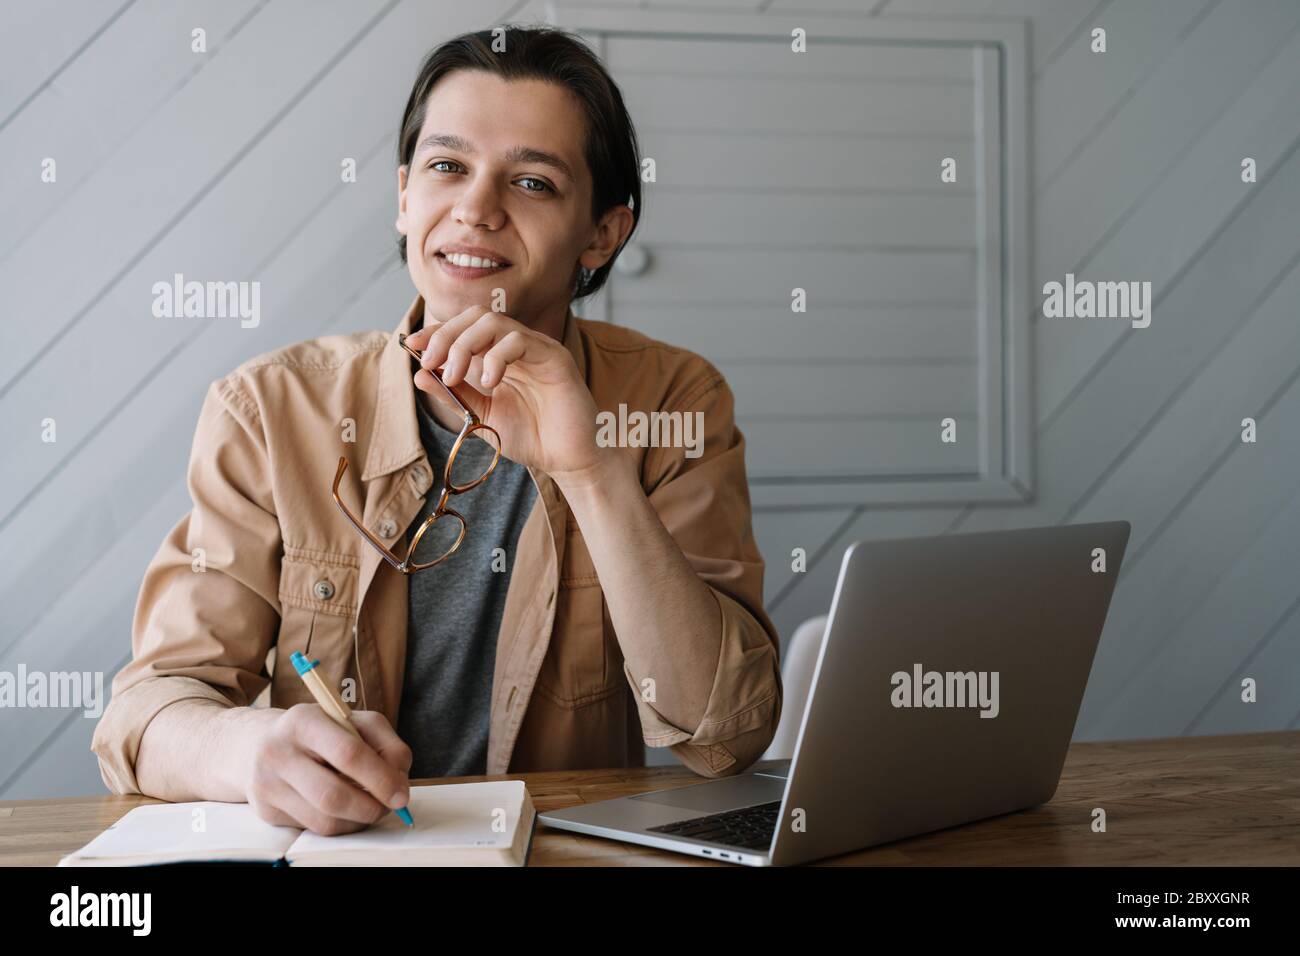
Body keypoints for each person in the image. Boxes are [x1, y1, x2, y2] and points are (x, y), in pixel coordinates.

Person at [92, 24, 782, 836]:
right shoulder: (271, 411)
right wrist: (252, 750)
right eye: (447, 167)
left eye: (531, 182)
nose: (476, 209)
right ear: (405, 197)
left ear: (603, 233)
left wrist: (592, 472)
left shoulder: (676, 401)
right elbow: (145, 715)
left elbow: (726, 737)